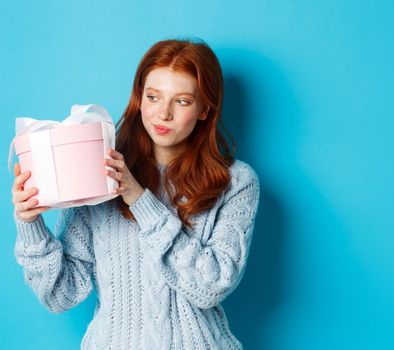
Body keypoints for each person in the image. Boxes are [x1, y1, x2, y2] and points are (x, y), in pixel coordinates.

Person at [11, 38, 260, 350]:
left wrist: (140, 200)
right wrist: (30, 223)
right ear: (139, 98)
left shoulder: (236, 182)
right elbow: (62, 294)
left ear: (205, 109)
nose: (163, 114)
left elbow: (210, 287)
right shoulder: (99, 168)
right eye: (153, 97)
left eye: (181, 101)